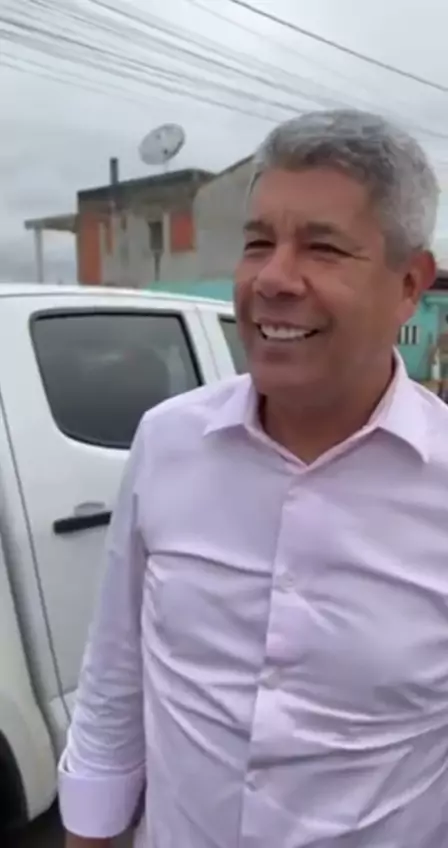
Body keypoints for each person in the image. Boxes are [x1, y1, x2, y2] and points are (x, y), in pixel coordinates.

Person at [60, 109, 448, 848]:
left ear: (408, 284)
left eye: (322, 247)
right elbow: (114, 676)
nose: (272, 278)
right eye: (258, 243)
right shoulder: (168, 441)